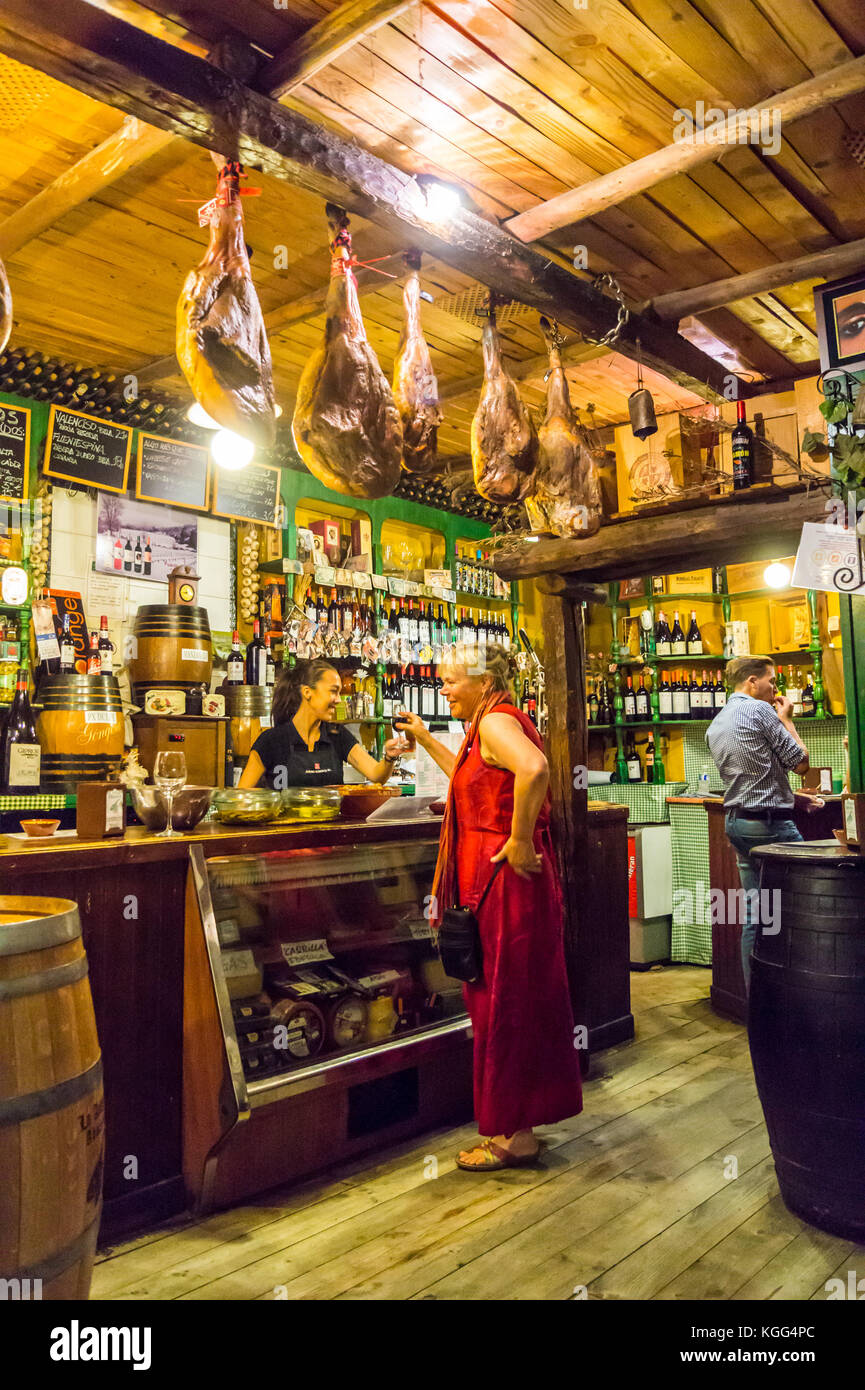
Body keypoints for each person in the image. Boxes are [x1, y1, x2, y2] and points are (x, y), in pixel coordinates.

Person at [395, 643, 582, 1171]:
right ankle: (519, 1124)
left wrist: (520, 839)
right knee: (511, 995)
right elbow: (471, 775)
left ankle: (512, 1136)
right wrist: (426, 738)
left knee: (503, 1000)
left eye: (450, 682)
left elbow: (535, 768)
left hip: (503, 874)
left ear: (480, 682)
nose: (443, 690)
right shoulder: (489, 724)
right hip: (496, 875)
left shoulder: (497, 722)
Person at [705, 655, 810, 992]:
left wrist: (795, 798)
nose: (774, 688)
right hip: (769, 827)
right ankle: (797, 1003)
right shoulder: (760, 710)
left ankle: (758, 1004)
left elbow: (755, 778)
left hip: (738, 824)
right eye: (771, 681)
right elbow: (801, 763)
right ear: (752, 681)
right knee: (804, 911)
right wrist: (787, 719)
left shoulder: (717, 721)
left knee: (758, 915)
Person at [239, 658, 403, 789]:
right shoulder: (271, 741)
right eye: (333, 691)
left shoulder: (337, 735)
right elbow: (242, 797)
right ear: (307, 692)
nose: (338, 700)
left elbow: (376, 775)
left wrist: (389, 757)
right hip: (286, 829)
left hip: (330, 829)